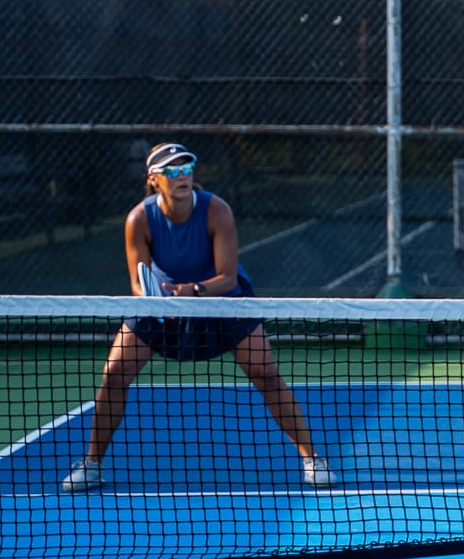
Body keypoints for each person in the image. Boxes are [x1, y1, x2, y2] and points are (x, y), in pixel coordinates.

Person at [61, 142, 332, 493]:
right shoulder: (139, 220)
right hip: (164, 303)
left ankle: (313, 459)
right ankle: (92, 464)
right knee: (113, 374)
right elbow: (137, 282)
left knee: (265, 374)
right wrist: (159, 304)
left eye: (186, 168)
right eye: (171, 171)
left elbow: (228, 277)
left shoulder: (216, 211)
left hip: (223, 300)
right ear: (153, 179)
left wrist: (193, 292)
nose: (181, 176)